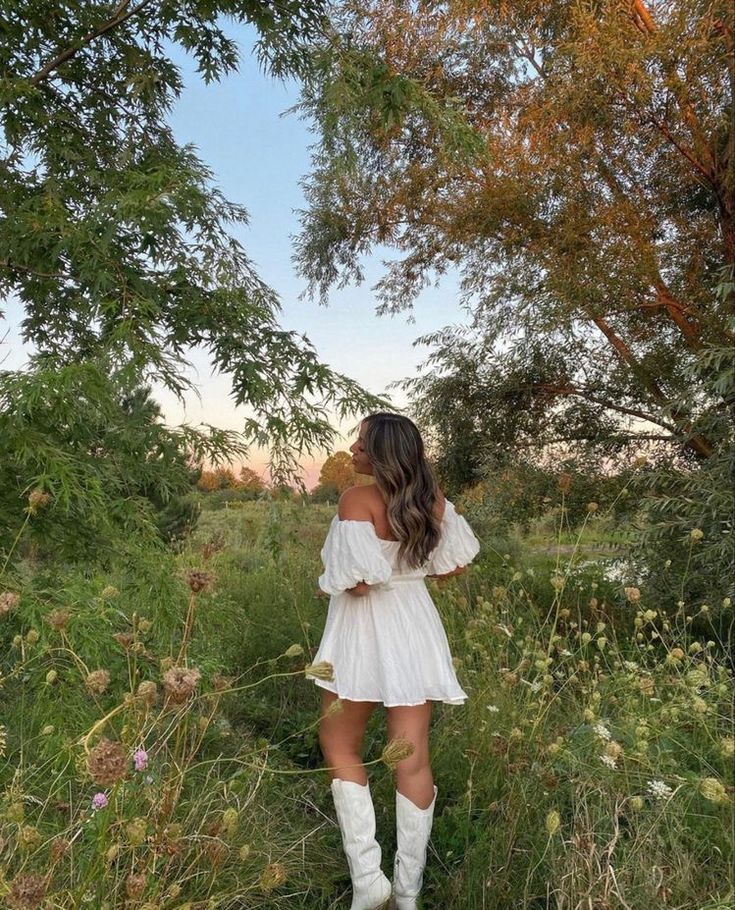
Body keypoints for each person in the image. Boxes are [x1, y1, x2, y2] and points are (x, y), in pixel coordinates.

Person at [310, 412, 481, 910]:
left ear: (382, 451)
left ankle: (369, 882)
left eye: (362, 442)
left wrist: (341, 577)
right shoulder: (432, 500)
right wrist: (408, 570)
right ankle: (407, 893)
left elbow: (358, 583)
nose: (354, 449)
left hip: (362, 629)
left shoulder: (355, 499)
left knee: (340, 743)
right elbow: (453, 566)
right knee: (412, 756)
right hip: (414, 626)